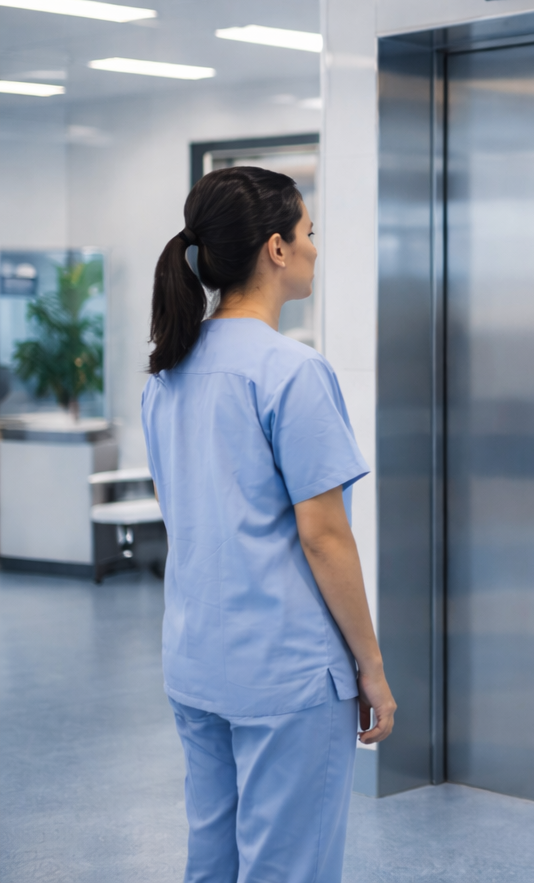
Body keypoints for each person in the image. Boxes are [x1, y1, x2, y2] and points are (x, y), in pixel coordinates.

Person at [142, 167, 395, 883]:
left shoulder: (167, 376)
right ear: (277, 251)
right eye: (309, 233)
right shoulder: (291, 373)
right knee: (290, 868)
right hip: (286, 674)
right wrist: (371, 670)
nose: (316, 247)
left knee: (213, 861)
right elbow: (324, 536)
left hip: (197, 660)